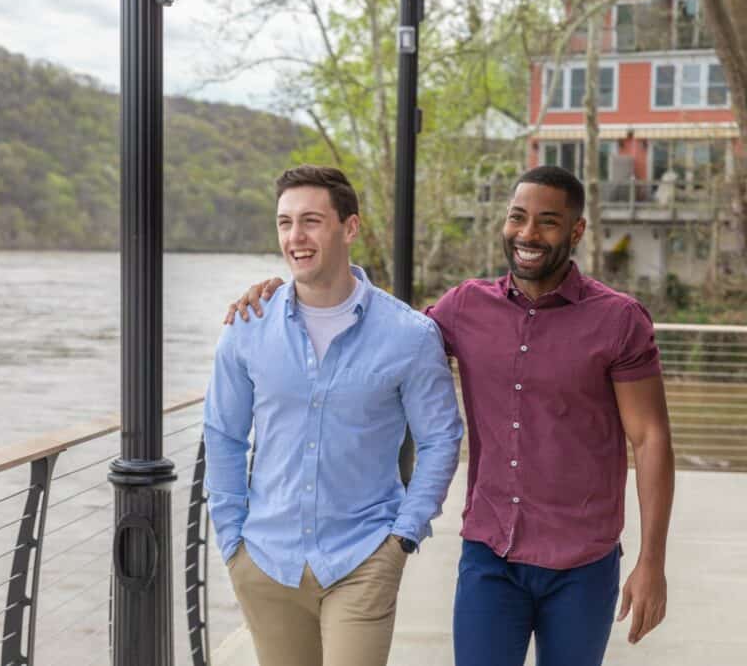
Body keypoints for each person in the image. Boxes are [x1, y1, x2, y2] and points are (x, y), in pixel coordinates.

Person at [224, 165, 675, 666]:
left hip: (582, 561)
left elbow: (650, 438)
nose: (527, 233)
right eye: (517, 217)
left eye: (547, 222)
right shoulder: (464, 308)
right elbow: (381, 334)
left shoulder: (617, 320)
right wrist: (281, 293)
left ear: (576, 231)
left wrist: (651, 561)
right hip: (490, 556)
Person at [204, 164, 464, 666]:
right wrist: (232, 538)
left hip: (363, 556)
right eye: (284, 222)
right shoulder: (247, 327)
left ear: (350, 228)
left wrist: (403, 534)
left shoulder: (408, 335)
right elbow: (223, 434)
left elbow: (440, 438)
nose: (295, 237)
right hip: (265, 561)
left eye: (311, 221)